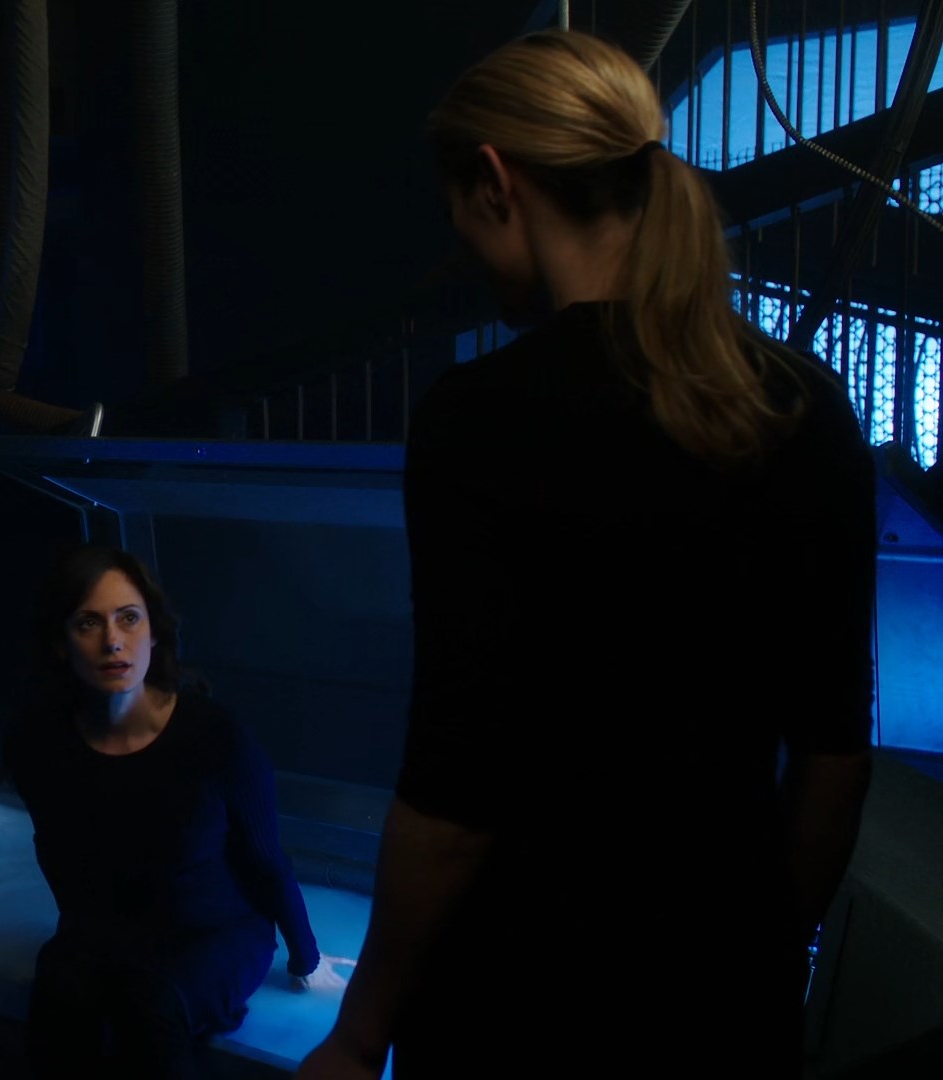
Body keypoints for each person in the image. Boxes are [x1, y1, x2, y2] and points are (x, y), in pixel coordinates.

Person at [297, 30, 876, 1079]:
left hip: (518, 998)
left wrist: (358, 1032)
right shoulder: (807, 403)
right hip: (722, 1001)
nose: (462, 242)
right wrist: (756, 959)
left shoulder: (480, 418)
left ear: (494, 182)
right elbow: (835, 754)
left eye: (455, 209)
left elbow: (455, 795)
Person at [8, 545, 326, 1079]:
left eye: (128, 618)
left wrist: (306, 960)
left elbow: (267, 862)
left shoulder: (216, 737)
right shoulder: (38, 743)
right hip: (113, 929)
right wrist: (83, 942)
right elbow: (57, 854)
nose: (113, 640)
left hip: (219, 931)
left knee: (150, 1001)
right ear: (61, 643)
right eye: (88, 622)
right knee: (62, 986)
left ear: (154, 631)